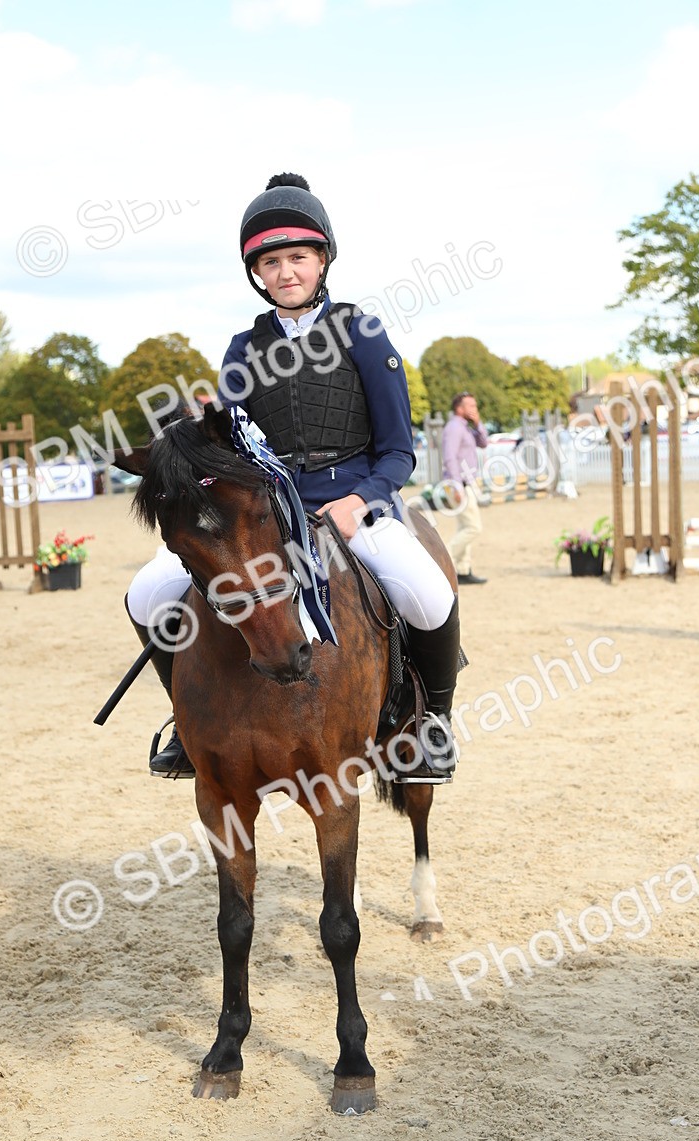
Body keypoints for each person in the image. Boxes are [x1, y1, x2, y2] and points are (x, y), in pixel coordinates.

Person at [126, 173, 461, 781]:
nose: (285, 273)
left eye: (298, 258)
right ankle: (187, 720)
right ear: (256, 272)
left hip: (354, 504)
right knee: (147, 594)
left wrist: (361, 500)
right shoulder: (241, 347)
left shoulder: (363, 332)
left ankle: (429, 725)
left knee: (430, 594)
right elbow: (226, 443)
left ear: (323, 259)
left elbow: (398, 451)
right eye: (271, 262)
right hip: (265, 513)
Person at [442, 392, 488, 584]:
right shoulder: (454, 427)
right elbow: (449, 457)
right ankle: (444, 559)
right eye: (471, 406)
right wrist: (456, 485)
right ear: (459, 408)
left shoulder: (467, 427)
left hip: (466, 483)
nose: (474, 410)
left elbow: (483, 443)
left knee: (464, 526)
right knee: (473, 527)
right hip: (458, 483)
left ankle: (462, 570)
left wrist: (478, 424)